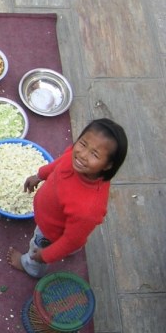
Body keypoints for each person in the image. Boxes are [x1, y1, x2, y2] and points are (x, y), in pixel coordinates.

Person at [7, 118, 128, 278]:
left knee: (42, 249)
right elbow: (59, 163)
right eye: (83, 144)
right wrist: (39, 175)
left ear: (108, 165)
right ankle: (65, 250)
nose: (82, 155)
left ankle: (30, 267)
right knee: (74, 234)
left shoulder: (88, 208)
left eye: (94, 154)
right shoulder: (75, 157)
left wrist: (45, 255)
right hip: (59, 220)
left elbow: (72, 240)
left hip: (50, 231)